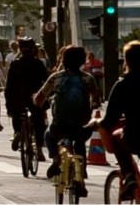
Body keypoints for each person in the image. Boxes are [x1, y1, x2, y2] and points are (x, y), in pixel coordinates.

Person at [34, 45, 100, 198]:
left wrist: (40, 104)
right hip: (81, 125)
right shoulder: (87, 78)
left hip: (59, 125)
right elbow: (96, 99)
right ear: (82, 61)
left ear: (63, 61)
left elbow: (39, 98)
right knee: (80, 144)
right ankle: (81, 179)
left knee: (48, 136)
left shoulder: (56, 77)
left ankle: (56, 158)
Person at [88, 40, 140, 201]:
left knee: (117, 136)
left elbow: (110, 120)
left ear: (126, 62)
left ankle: (129, 175)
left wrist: (96, 123)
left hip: (135, 136)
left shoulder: (123, 85)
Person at [4, 36, 48, 161]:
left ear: (20, 49)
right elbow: (47, 82)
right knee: (39, 122)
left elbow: (9, 86)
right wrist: (47, 98)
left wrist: (9, 105)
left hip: (18, 98)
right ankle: (39, 149)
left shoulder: (15, 64)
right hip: (35, 98)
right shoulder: (38, 64)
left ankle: (17, 132)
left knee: (17, 115)